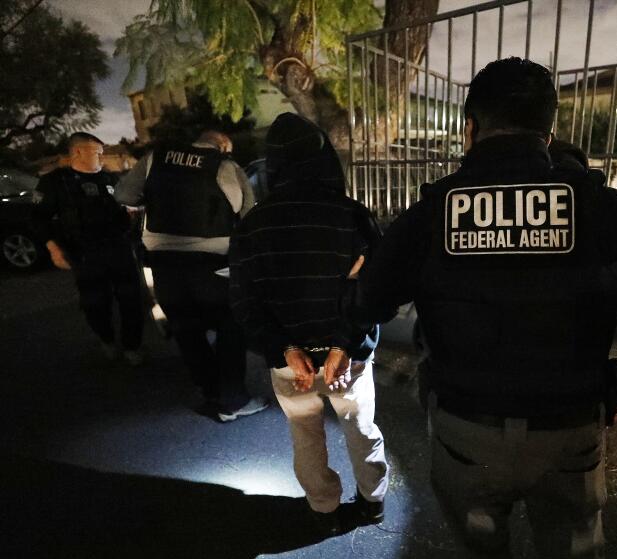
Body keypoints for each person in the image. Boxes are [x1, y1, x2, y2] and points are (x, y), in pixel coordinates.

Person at [349, 57, 617, 559]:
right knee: (572, 547)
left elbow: (370, 303)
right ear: (548, 134)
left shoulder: (430, 215)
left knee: (481, 547)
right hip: (570, 434)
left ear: (470, 128)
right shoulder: (605, 211)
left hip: (466, 436)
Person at [228, 113, 389, 534]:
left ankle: (323, 509)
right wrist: (341, 344)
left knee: (306, 436)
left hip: (290, 364)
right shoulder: (352, 216)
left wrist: (287, 349)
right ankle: (373, 503)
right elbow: (376, 292)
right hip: (349, 358)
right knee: (361, 430)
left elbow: (245, 302)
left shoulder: (251, 226)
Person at [115, 130, 269, 422]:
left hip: (164, 264)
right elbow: (248, 215)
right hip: (214, 265)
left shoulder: (154, 160)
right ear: (222, 146)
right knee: (230, 330)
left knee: (187, 331)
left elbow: (123, 195)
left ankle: (209, 389)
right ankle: (233, 400)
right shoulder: (225, 167)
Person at [31, 132, 145, 366]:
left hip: (119, 248)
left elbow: (130, 207)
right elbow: (37, 219)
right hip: (84, 252)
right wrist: (53, 248)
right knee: (95, 303)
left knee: (132, 299)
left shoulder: (111, 180)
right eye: (98, 152)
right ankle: (107, 340)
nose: (103, 157)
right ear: (79, 152)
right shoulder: (56, 183)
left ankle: (132, 346)